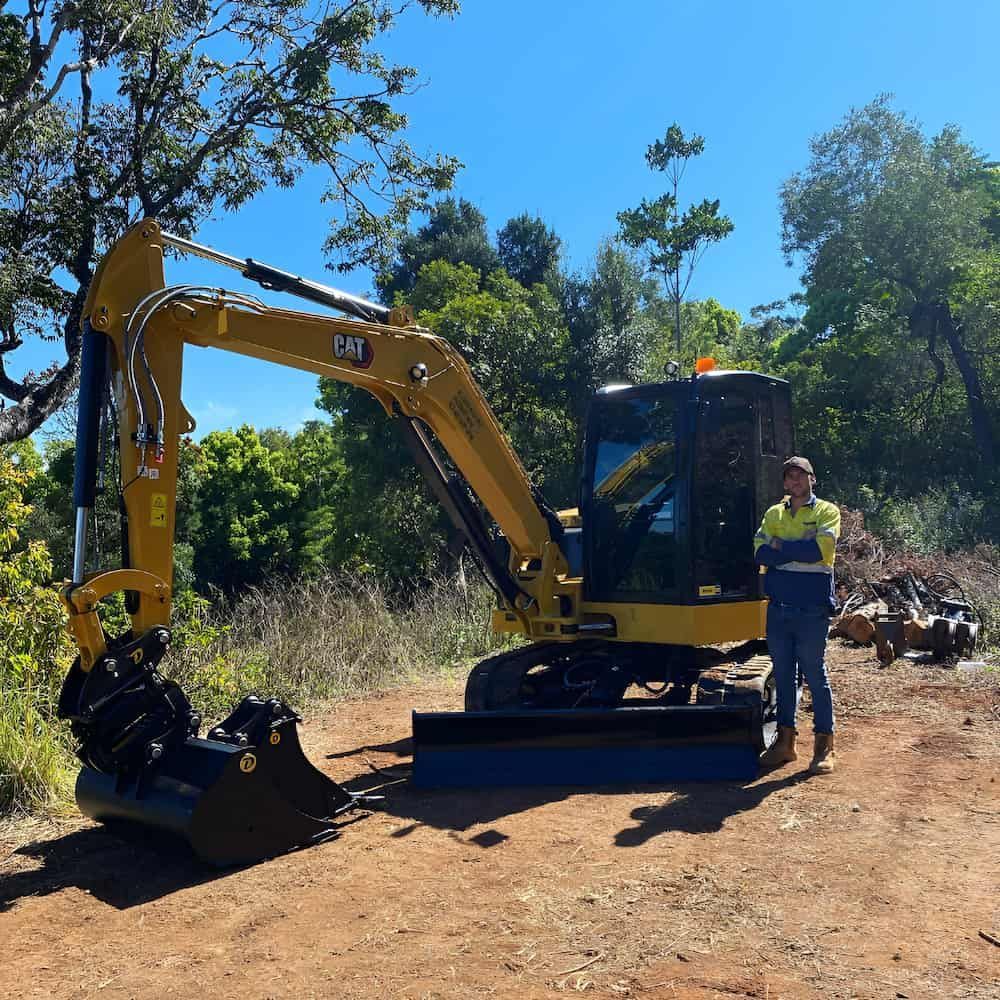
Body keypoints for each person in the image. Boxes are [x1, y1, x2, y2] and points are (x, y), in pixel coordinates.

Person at [753, 457, 841, 774]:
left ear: (811, 479)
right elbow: (759, 552)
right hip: (778, 611)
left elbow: (819, 552)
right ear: (785, 483)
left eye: (801, 476)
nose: (795, 481)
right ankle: (785, 743)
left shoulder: (827, 511)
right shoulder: (773, 513)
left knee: (815, 676)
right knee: (784, 677)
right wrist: (794, 545)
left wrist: (781, 547)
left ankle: (824, 746)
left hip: (812, 611)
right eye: (790, 477)